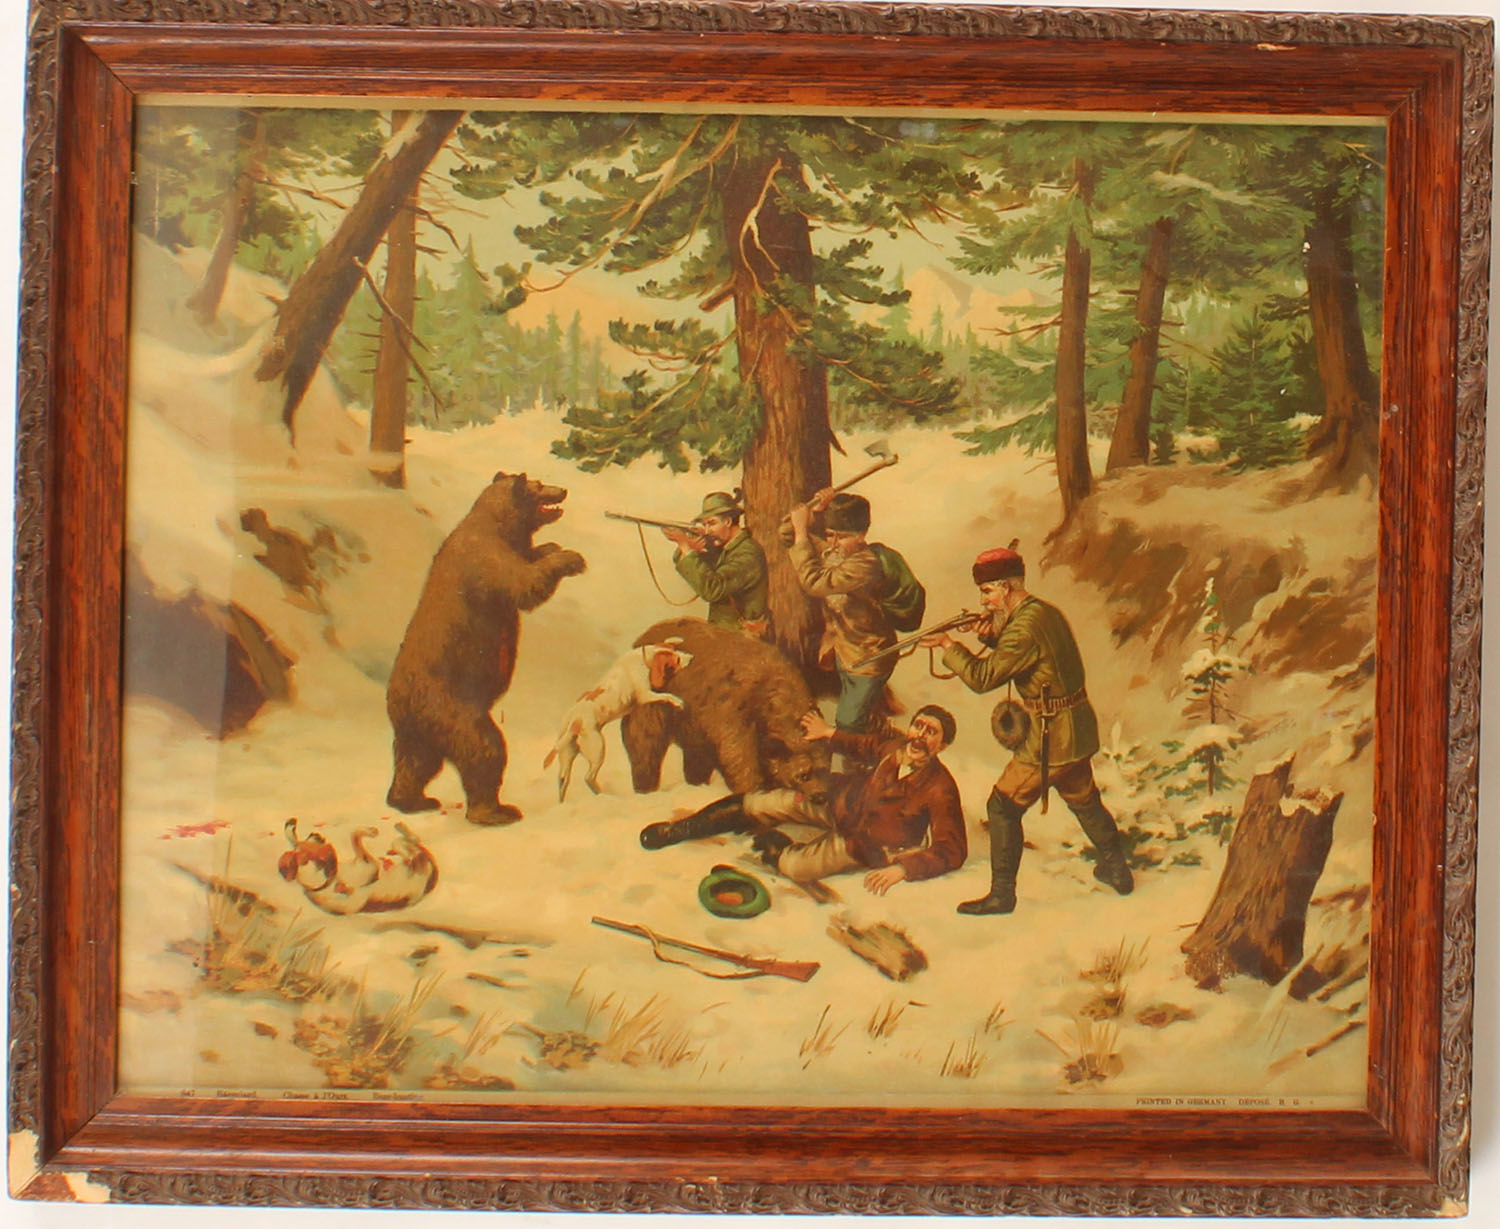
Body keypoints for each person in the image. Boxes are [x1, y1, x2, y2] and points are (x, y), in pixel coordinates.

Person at [920, 544, 1133, 915]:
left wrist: (949, 645)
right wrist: (989, 635)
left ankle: (1002, 896)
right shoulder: (1042, 612)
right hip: (1075, 730)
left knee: (1002, 807)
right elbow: (1030, 654)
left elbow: (983, 677)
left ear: (1006, 587)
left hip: (1050, 736)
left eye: (988, 591)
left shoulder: (1023, 628)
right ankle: (1118, 870)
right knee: (1084, 799)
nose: (984, 601)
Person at [638, 705, 966, 893]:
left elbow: (952, 850)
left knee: (796, 867)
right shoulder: (895, 747)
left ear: (943, 746)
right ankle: (681, 830)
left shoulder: (941, 788)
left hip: (865, 844)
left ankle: (773, 845)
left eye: (931, 732)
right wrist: (828, 733)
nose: (920, 736)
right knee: (764, 802)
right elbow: (864, 745)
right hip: (842, 805)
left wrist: (904, 869)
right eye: (918, 726)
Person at [779, 491, 896, 732]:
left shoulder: (865, 564)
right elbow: (786, 533)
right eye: (829, 534)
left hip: (869, 657)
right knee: (858, 714)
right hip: (845, 651)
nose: (832, 543)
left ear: (862, 535)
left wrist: (803, 532)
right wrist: (816, 511)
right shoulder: (836, 553)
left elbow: (814, 582)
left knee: (848, 722)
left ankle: (867, 747)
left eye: (841, 537)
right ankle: (875, 735)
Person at [663, 491, 770, 638]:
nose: (707, 531)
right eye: (705, 525)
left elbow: (712, 589)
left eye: (712, 523)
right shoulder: (726, 548)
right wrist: (691, 546)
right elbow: (694, 568)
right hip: (727, 634)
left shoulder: (748, 553)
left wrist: (685, 546)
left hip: (743, 638)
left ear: (727, 521)